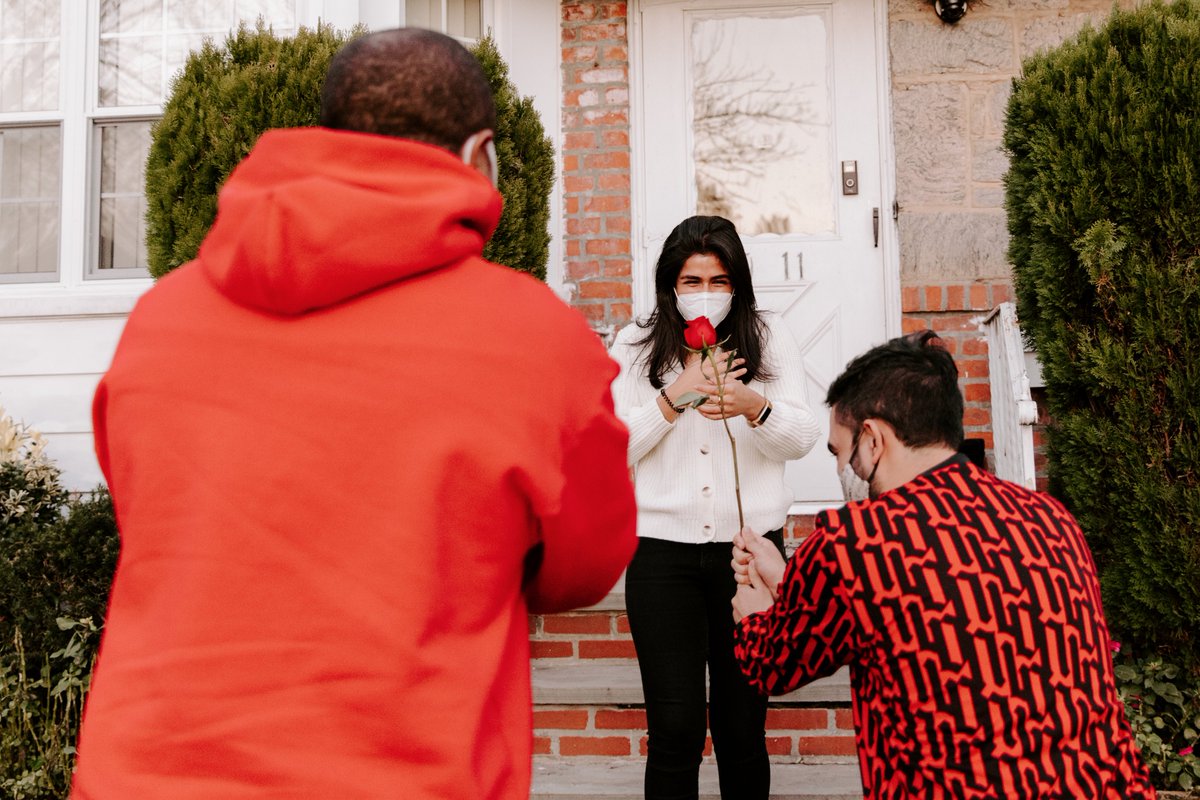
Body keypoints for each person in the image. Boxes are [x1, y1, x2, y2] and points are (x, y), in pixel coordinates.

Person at [72, 29, 637, 800]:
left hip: (147, 775)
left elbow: (153, 517)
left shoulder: (158, 323)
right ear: (480, 156)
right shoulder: (538, 340)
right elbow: (584, 566)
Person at [730, 330, 1156, 799]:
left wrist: (755, 607)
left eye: (840, 452)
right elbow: (940, 608)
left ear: (873, 438)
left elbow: (773, 664)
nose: (840, 472)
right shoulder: (1050, 517)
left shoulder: (853, 539)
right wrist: (791, 581)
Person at [609, 215, 820, 800]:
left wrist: (753, 405)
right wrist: (677, 396)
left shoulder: (768, 336)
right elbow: (611, 446)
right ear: (670, 285)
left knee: (741, 726)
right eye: (692, 279)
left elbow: (802, 436)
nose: (706, 292)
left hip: (748, 558)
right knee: (675, 729)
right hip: (661, 559)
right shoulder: (634, 343)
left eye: (719, 280)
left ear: (738, 284)